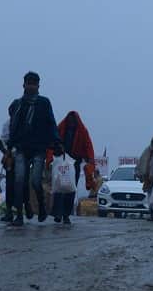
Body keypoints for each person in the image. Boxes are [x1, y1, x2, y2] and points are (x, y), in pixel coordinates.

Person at [6, 71, 59, 226]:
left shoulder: (44, 103)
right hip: (21, 148)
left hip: (38, 149)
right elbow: (13, 127)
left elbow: (51, 122)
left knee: (36, 181)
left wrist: (57, 141)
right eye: (29, 83)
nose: (31, 86)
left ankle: (41, 207)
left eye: (34, 84)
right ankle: (20, 215)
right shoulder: (17, 104)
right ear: (24, 85)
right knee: (19, 180)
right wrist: (10, 146)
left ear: (38, 86)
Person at [57, 111, 95, 192]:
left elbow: (88, 146)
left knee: (72, 187)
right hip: (61, 162)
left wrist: (91, 160)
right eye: (70, 121)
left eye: (73, 121)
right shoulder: (61, 127)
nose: (71, 123)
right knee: (60, 187)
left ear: (76, 121)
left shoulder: (82, 131)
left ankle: (69, 204)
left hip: (75, 162)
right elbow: (53, 141)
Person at [49, 141, 77, 224]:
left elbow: (86, 145)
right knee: (59, 189)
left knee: (70, 191)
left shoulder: (81, 130)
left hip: (73, 160)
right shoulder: (60, 129)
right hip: (61, 158)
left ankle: (65, 215)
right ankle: (58, 213)